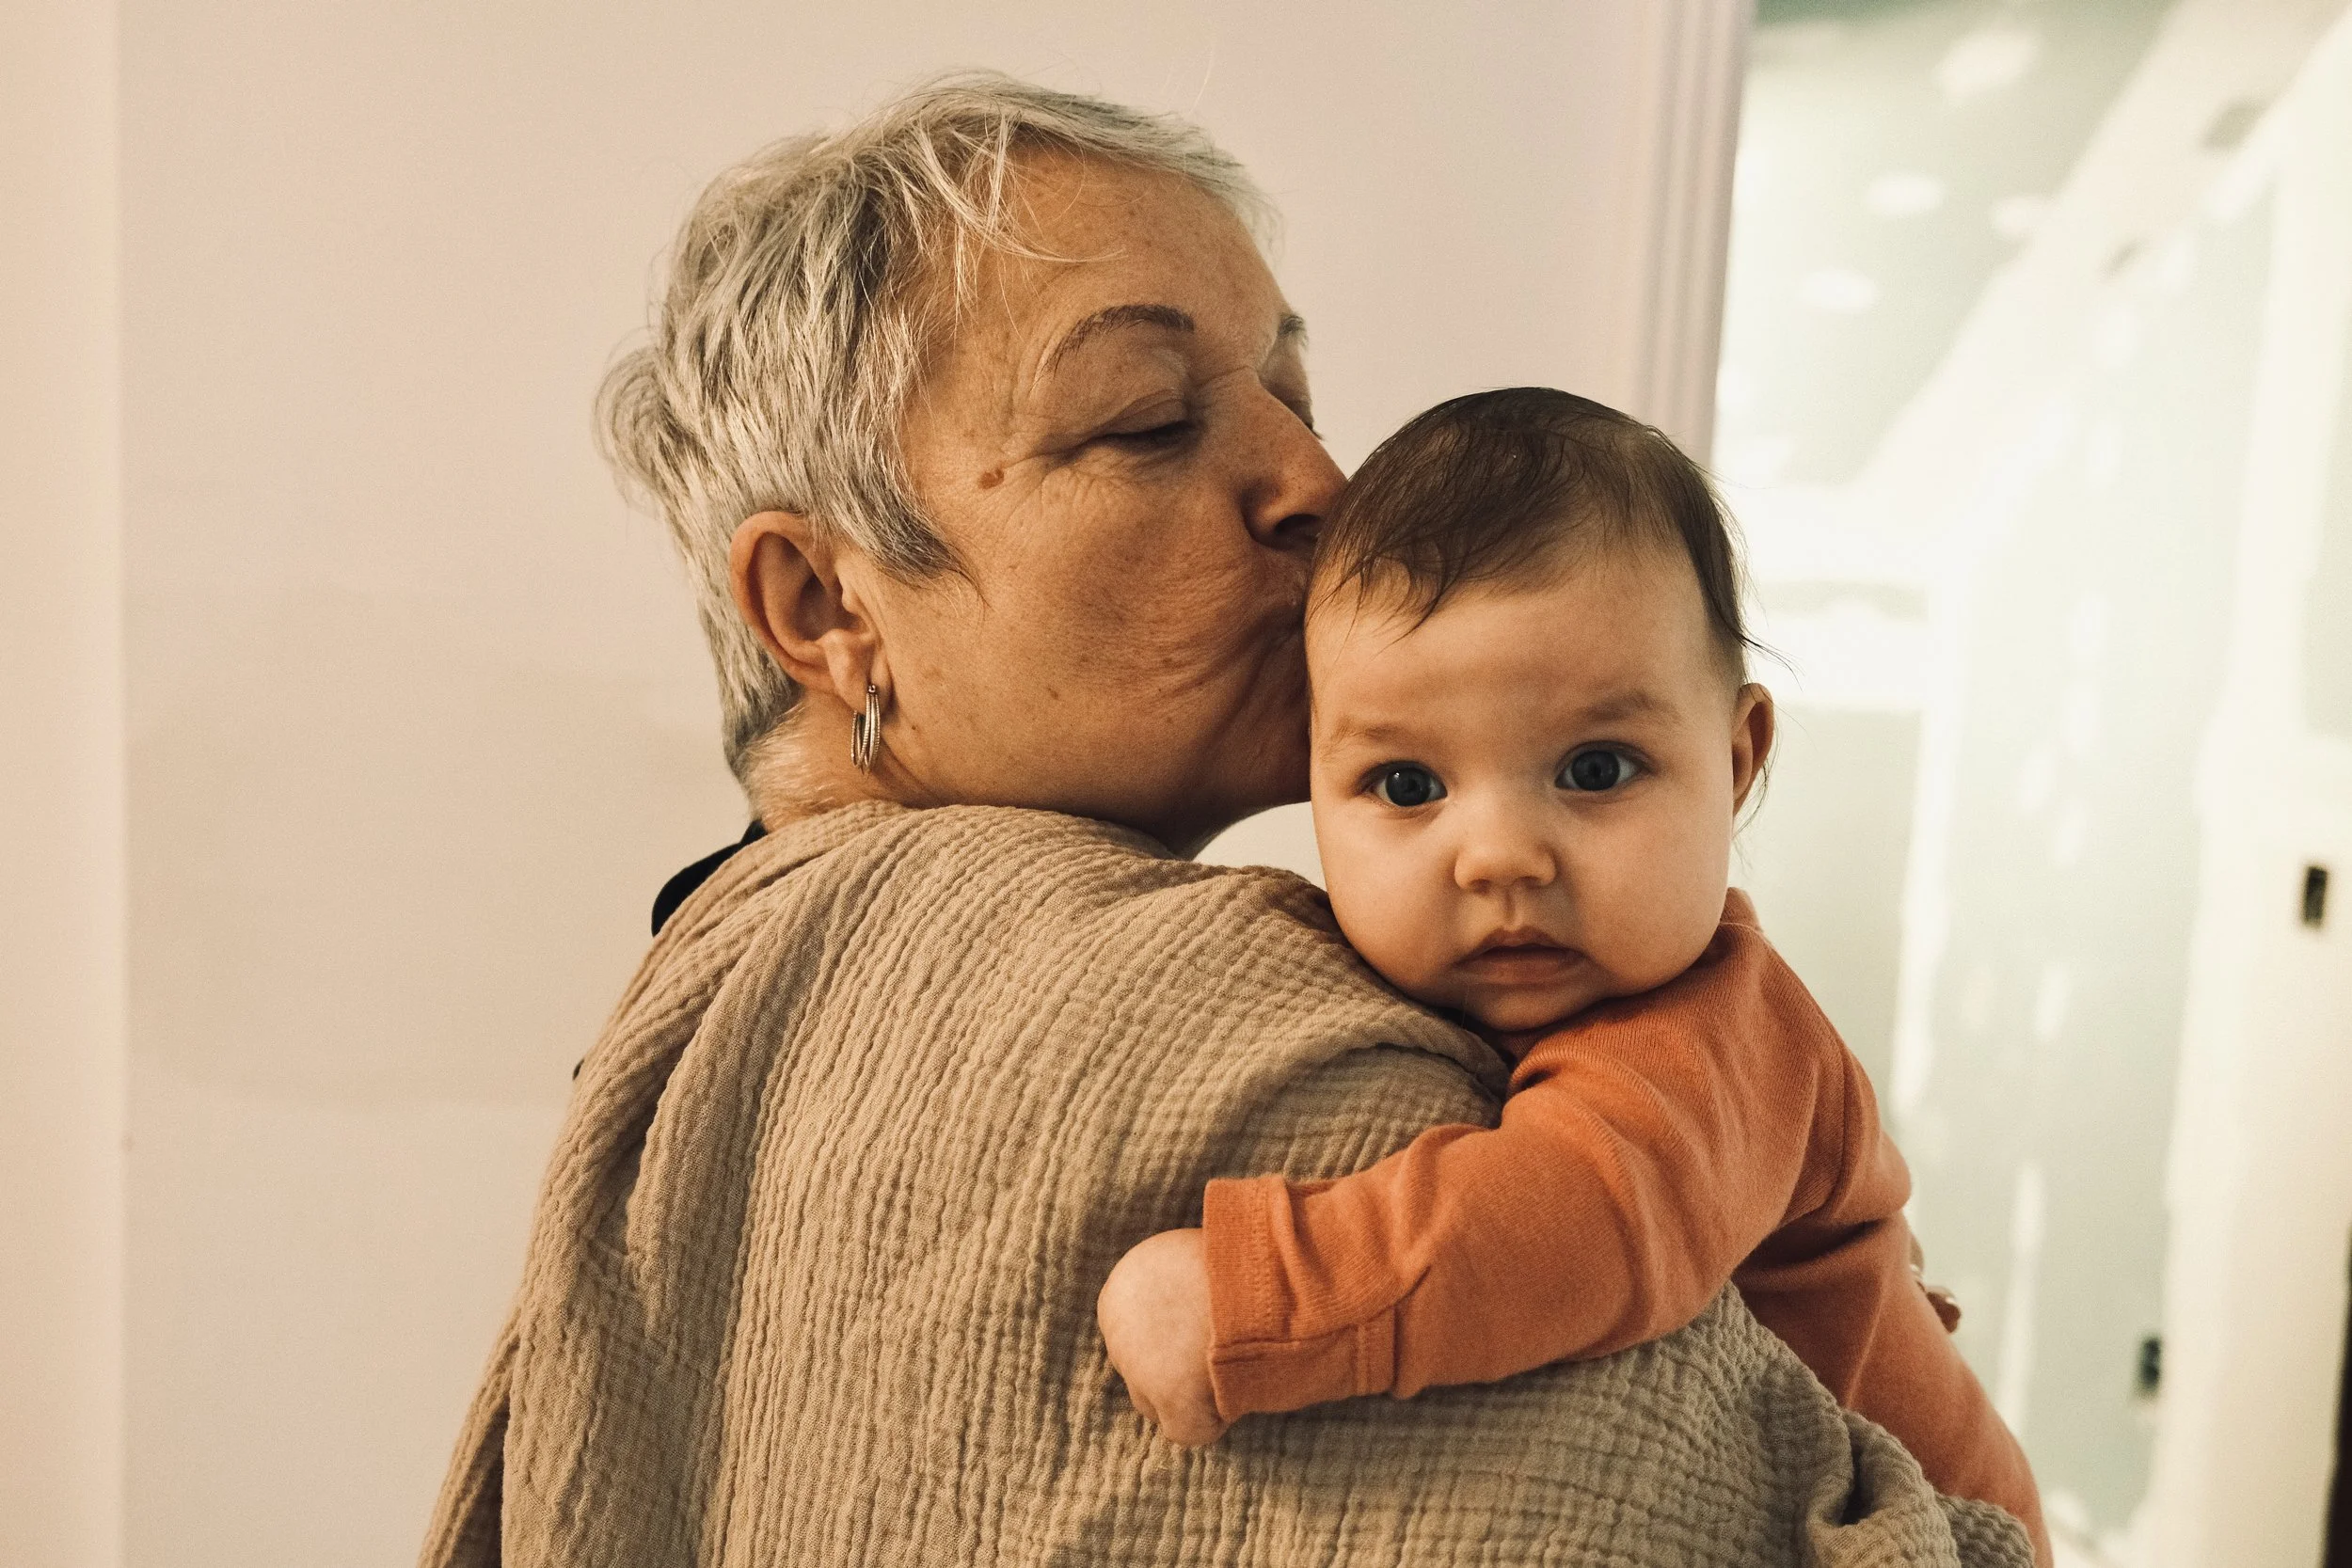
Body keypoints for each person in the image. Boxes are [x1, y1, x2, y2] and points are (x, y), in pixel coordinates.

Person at [420, 75, 2033, 1568]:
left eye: (1290, 394)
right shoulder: (1185, 1020)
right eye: (1143, 418)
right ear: (826, 602)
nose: (1319, 480)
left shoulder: (736, 969)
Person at [1094, 388, 2051, 1565]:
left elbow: (1580, 1216)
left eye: (1596, 767)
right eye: (1405, 786)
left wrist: (1259, 1292)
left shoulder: (1721, 1031)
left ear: (1737, 758)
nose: (1499, 855)